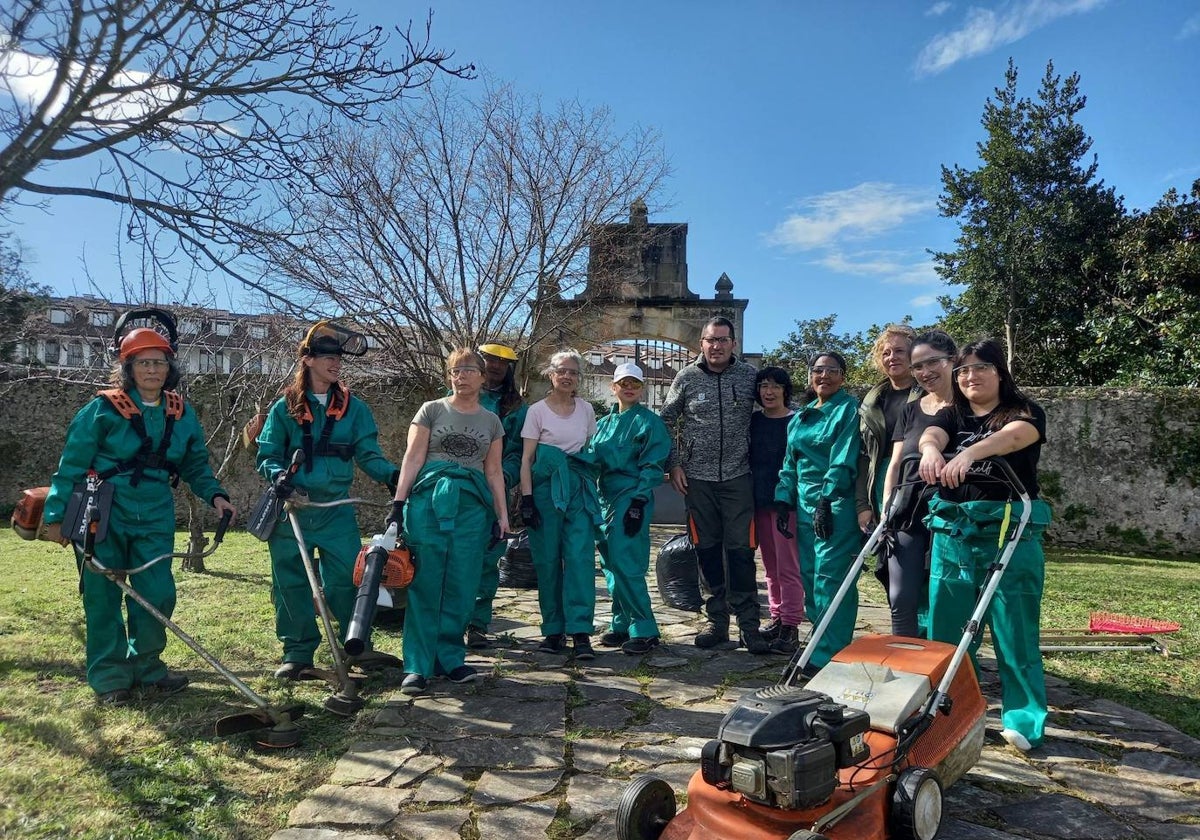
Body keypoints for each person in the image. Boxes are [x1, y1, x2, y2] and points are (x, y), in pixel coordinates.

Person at [42, 323, 236, 705]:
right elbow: (72, 465)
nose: (152, 370)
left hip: (155, 509)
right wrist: (55, 513)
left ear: (170, 368)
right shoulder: (101, 409)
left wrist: (215, 495)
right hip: (102, 506)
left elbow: (196, 464)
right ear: (128, 368)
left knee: (157, 592)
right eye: (144, 363)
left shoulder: (181, 414)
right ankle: (110, 676)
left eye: (159, 363)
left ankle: (148, 667)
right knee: (102, 594)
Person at [917, 338, 1054, 752]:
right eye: (962, 371)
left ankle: (1024, 719)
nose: (970, 377)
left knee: (1014, 630)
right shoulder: (952, 413)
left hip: (1008, 533)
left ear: (1000, 372)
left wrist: (971, 454)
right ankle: (955, 709)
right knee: (948, 629)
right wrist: (930, 452)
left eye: (980, 368)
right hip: (954, 533)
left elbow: (1013, 439)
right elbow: (932, 434)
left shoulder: (1025, 413)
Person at [256, 322, 399, 681]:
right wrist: (280, 478)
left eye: (338, 358)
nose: (335, 364)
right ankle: (297, 653)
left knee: (346, 579)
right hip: (293, 510)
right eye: (327, 357)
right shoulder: (285, 407)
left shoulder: (355, 409)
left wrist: (394, 476)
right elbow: (268, 454)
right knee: (290, 581)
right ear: (307, 360)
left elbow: (369, 454)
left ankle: (357, 645)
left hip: (335, 509)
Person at [387, 349, 509, 695]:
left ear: (483, 377)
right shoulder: (431, 410)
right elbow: (413, 457)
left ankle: (451, 659)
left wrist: (502, 515)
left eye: (470, 370)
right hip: (428, 502)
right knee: (426, 582)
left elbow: (494, 470)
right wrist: (399, 502)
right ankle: (417, 665)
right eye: (456, 371)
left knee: (462, 582)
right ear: (449, 376)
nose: (462, 376)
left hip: (472, 508)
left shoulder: (492, 422)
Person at [659, 316, 764, 652]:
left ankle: (750, 626)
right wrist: (674, 463)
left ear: (733, 344)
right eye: (710, 340)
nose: (716, 346)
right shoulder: (687, 377)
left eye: (722, 340)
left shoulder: (749, 376)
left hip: (738, 477)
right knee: (706, 551)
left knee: (741, 553)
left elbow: (775, 410)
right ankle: (715, 621)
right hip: (697, 480)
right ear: (701, 344)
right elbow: (665, 420)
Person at [774, 352, 862, 671]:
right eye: (818, 370)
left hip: (834, 504)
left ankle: (833, 651)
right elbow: (790, 462)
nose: (824, 376)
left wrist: (828, 497)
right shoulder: (801, 416)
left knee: (831, 576)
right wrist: (783, 499)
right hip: (803, 501)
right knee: (809, 576)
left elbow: (844, 456)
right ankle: (819, 639)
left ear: (843, 376)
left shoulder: (848, 410)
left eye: (832, 371)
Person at [519, 348, 601, 660]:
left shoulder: (586, 410)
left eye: (573, 371)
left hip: (578, 490)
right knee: (547, 561)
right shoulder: (537, 411)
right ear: (551, 376)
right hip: (544, 492)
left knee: (580, 560)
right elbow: (527, 460)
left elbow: (589, 451)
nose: (567, 376)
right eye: (561, 371)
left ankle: (580, 632)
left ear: (579, 377)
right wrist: (527, 501)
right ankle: (553, 631)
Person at [589, 363, 672, 655]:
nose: (629, 388)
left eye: (634, 384)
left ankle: (645, 628)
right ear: (614, 388)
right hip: (603, 497)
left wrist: (638, 501)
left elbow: (653, 464)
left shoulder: (650, 423)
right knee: (610, 563)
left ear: (642, 388)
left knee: (627, 562)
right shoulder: (602, 424)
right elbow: (590, 458)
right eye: (623, 383)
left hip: (631, 496)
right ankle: (620, 622)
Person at [879, 330, 958, 637]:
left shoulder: (968, 408)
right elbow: (896, 461)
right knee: (900, 594)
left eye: (932, 362)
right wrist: (887, 505)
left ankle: (944, 663)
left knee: (945, 594)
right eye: (918, 367)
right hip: (908, 508)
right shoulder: (911, 409)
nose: (925, 372)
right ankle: (905, 659)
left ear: (952, 360)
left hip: (952, 510)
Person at [465, 343, 529, 649]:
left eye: (503, 363)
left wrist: (504, 477)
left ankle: (476, 623)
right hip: (456, 488)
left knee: (488, 559)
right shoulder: (459, 396)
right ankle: (450, 619)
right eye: (490, 359)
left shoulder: (516, 409)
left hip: (492, 493)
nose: (495, 366)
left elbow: (518, 453)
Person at [749, 366, 804, 654]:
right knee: (770, 567)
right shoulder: (754, 421)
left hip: (786, 505)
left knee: (789, 567)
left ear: (785, 390)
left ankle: (791, 625)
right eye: (763, 386)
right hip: (759, 501)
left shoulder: (797, 420)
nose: (768, 392)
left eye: (775, 386)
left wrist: (787, 498)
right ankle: (776, 616)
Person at [856, 325, 920, 533]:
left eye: (900, 351)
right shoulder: (871, 402)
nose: (892, 357)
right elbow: (865, 456)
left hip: (918, 482)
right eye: (886, 353)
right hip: (880, 482)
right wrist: (863, 505)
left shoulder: (930, 396)